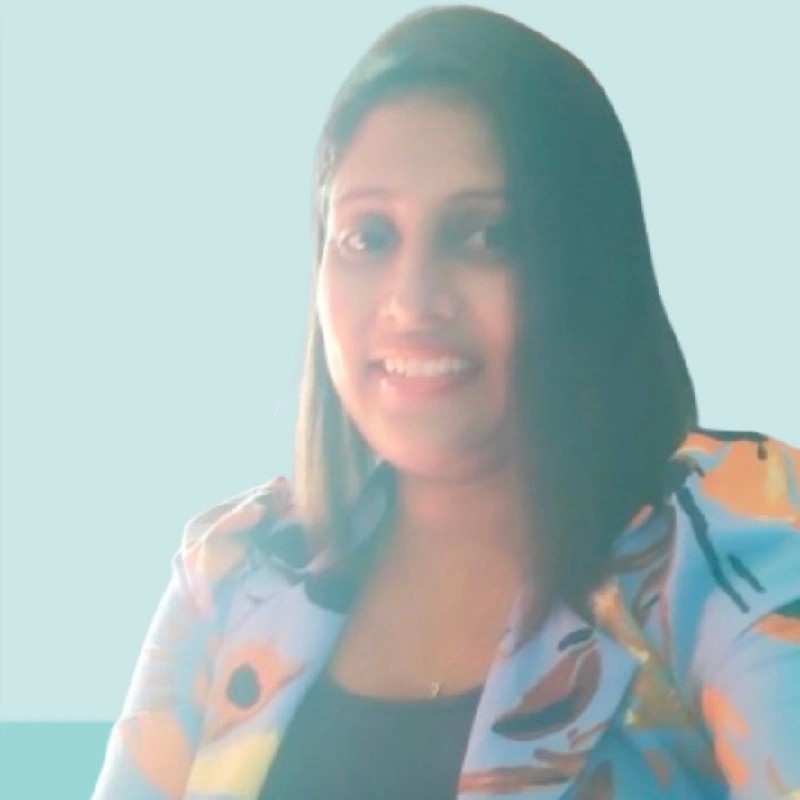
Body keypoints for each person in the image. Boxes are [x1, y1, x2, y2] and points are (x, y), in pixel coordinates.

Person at [93, 6, 800, 799]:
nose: (413, 300)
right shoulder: (233, 573)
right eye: (368, 237)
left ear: (587, 263)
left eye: (485, 235)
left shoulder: (736, 544)